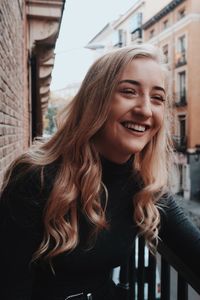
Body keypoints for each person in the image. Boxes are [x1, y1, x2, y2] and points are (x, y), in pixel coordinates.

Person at [0, 44, 200, 300]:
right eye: (129, 92)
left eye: (157, 98)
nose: (146, 110)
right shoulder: (35, 178)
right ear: (96, 100)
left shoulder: (144, 186)